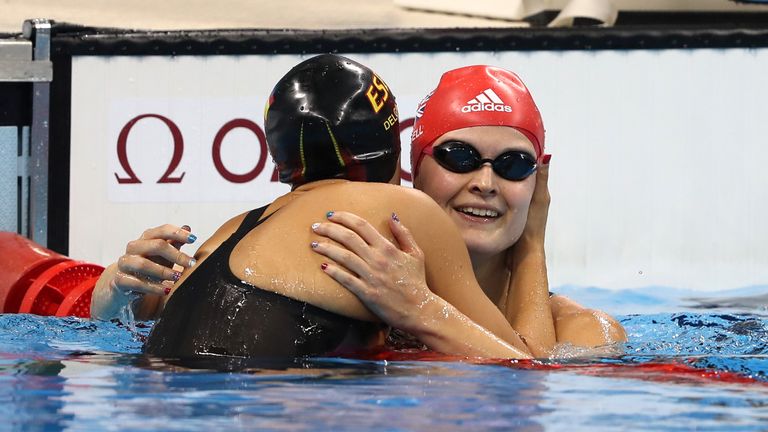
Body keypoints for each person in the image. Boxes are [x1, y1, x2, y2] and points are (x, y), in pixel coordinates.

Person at [93, 54, 536, 360]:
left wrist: (113, 287)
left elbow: (130, 325)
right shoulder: (406, 211)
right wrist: (418, 308)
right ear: (395, 152)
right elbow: (518, 369)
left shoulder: (229, 230)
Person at [309, 65, 626, 356]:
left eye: (513, 165)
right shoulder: (358, 308)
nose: (486, 183)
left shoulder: (583, 332)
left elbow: (526, 393)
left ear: (537, 185)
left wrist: (532, 247)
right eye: (459, 158)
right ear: (415, 170)